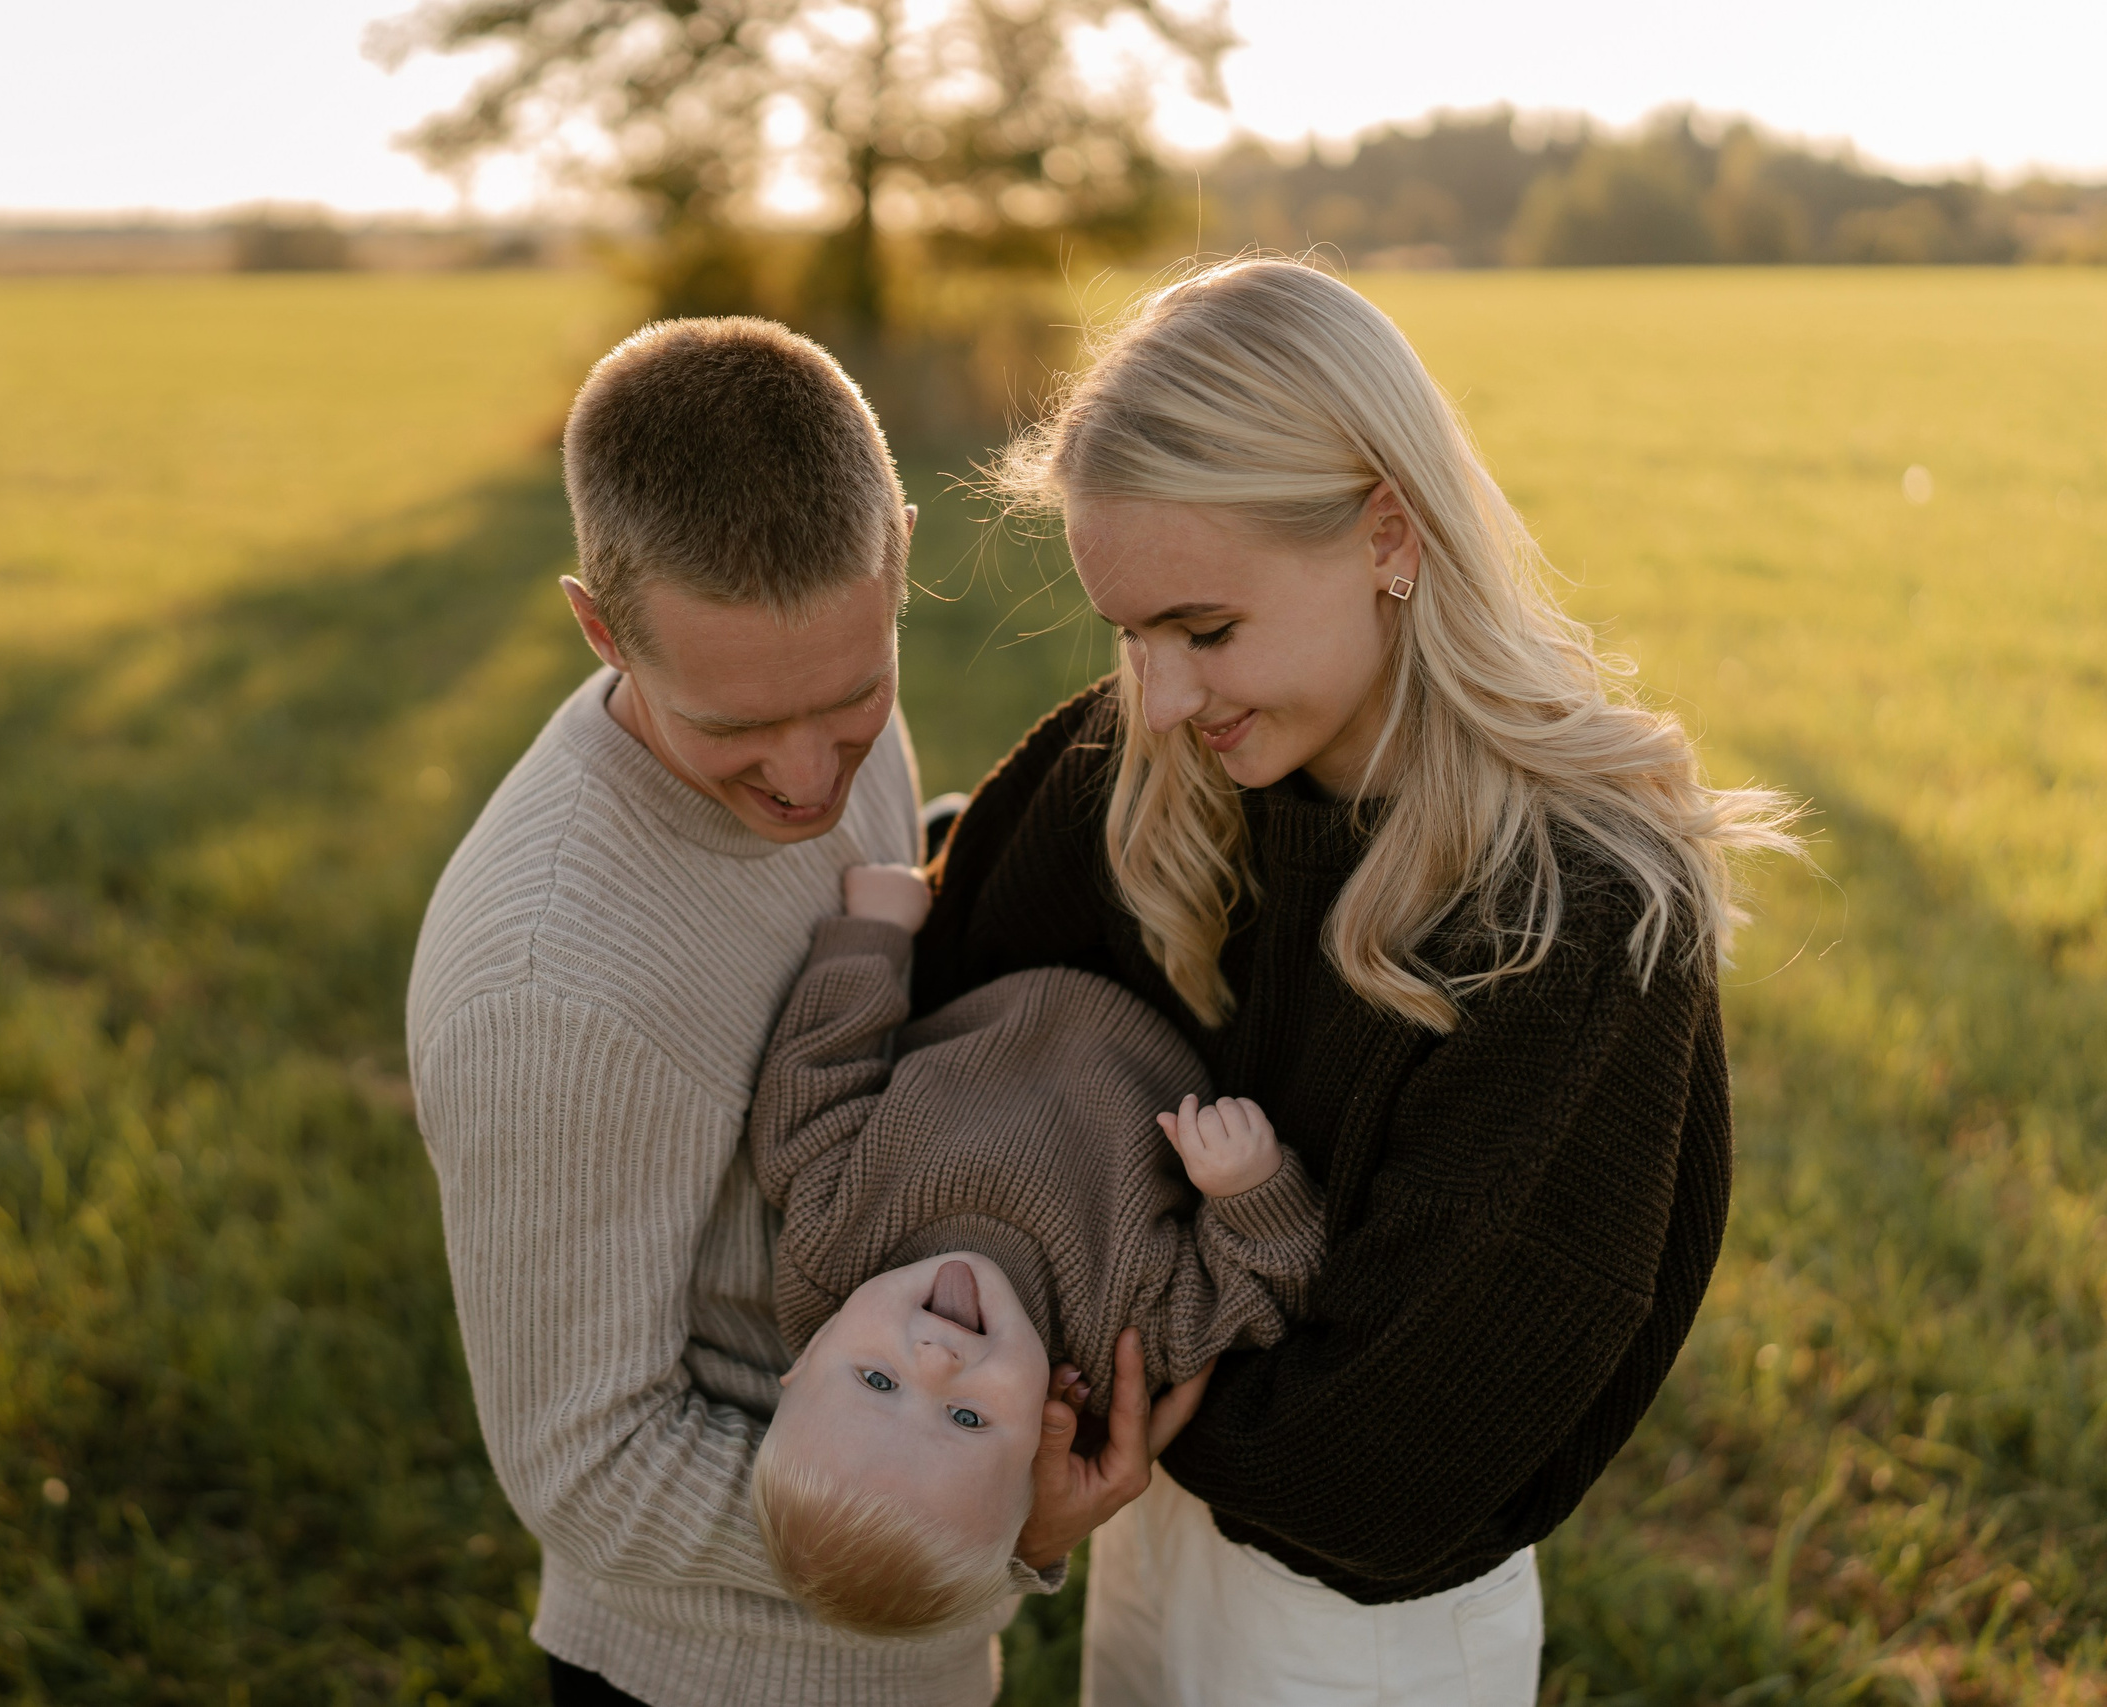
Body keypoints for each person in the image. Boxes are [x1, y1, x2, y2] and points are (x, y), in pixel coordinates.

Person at [913, 257, 1805, 1706]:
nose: (1161, 693)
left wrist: (1102, 1372)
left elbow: (1389, 1459)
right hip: (1149, 1527)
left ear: (1389, 532)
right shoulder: (1156, 762)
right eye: (1126, 633)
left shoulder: (1571, 921)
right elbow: (948, 989)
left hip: (1358, 1628)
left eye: (1205, 629)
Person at [407, 317, 1196, 1707]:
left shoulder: (817, 706)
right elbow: (591, 1466)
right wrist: (992, 1513)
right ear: (602, 627)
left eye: (852, 702)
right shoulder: (552, 987)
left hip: (921, 1660)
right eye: (734, 728)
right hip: (712, 1677)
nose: (805, 778)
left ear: (892, 554)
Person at [743, 861, 1323, 1637]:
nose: (936, 1360)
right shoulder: (1118, 1346)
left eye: (878, 1378)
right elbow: (1263, 1284)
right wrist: (1251, 1185)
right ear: (1039, 1459)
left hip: (1006, 964)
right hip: (1189, 1005)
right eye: (969, 1419)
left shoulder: (829, 1241)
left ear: (806, 1359)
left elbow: (815, 1078)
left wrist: (873, 934)